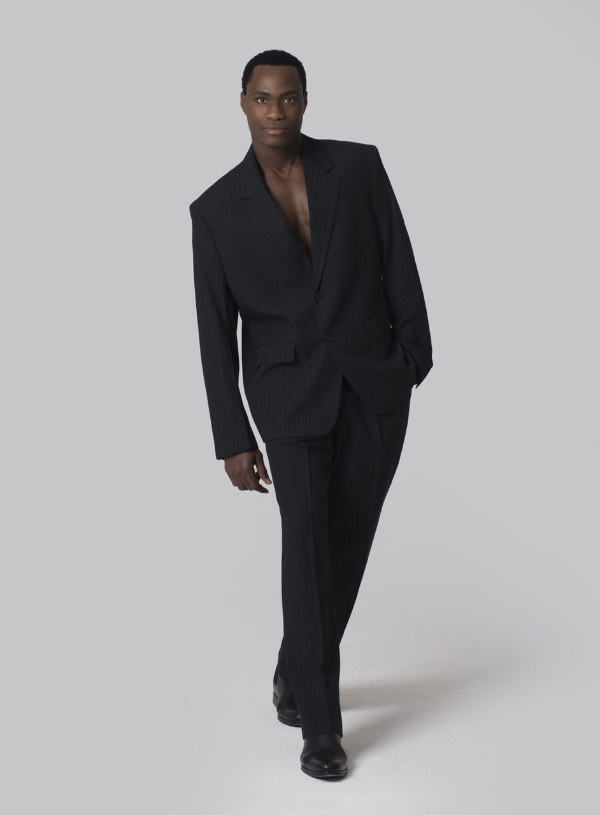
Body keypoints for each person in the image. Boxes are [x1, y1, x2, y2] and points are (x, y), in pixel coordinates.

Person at [189, 49, 433, 780]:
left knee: (347, 541)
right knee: (305, 546)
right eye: (262, 98)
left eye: (288, 97)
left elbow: (397, 258)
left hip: (374, 385)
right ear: (242, 103)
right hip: (287, 397)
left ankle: (295, 667)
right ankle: (320, 729)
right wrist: (232, 436)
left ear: (304, 100)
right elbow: (214, 330)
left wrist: (413, 358)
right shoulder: (215, 210)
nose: (276, 111)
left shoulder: (357, 167)